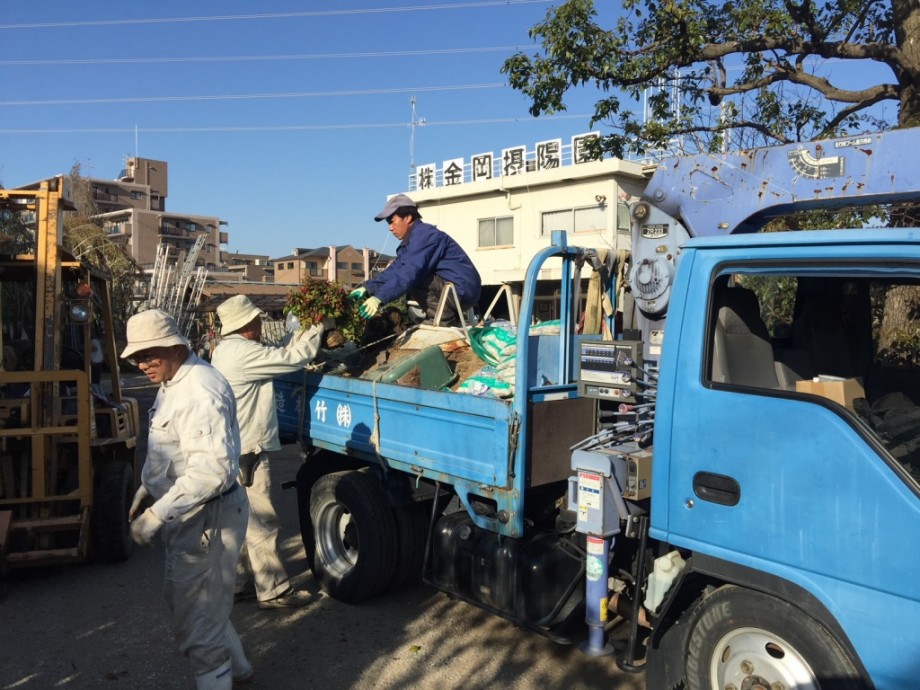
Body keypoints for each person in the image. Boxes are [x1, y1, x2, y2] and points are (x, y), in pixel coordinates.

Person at [123, 309, 251, 690]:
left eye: (149, 354)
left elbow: (211, 470)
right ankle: (239, 670)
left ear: (175, 346)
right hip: (191, 516)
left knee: (198, 618)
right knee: (197, 606)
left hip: (208, 517)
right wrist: (149, 486)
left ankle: (219, 676)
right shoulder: (174, 381)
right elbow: (171, 448)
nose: (142, 364)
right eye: (136, 358)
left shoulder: (199, 390)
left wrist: (157, 513)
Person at [210, 295, 327, 609]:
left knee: (236, 522)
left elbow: (277, 353)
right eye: (258, 319)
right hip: (247, 451)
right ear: (248, 324)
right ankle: (273, 590)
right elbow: (294, 359)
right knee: (260, 522)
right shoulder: (244, 354)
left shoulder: (225, 350)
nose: (261, 323)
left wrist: (300, 330)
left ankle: (238, 585)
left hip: (231, 448)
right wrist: (317, 327)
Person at [350, 193, 481, 327]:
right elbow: (395, 270)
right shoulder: (413, 240)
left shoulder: (425, 236)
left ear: (407, 217)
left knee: (413, 278)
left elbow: (409, 272)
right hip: (456, 289)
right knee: (407, 276)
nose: (390, 228)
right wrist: (368, 288)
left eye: (392, 221)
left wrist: (379, 298)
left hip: (461, 290)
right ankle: (441, 318)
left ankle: (442, 320)